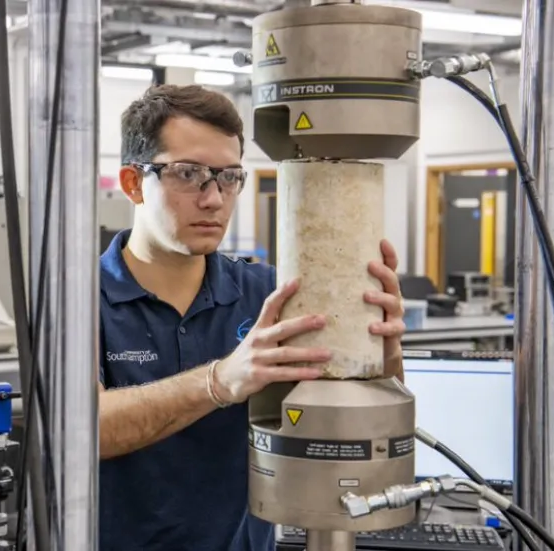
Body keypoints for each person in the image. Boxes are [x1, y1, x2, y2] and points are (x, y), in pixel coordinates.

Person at [98, 84, 406, 551]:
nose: (214, 199)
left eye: (228, 176)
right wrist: (220, 381)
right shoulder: (76, 302)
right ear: (133, 183)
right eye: (189, 174)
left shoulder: (269, 294)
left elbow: (356, 424)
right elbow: (85, 431)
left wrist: (380, 358)